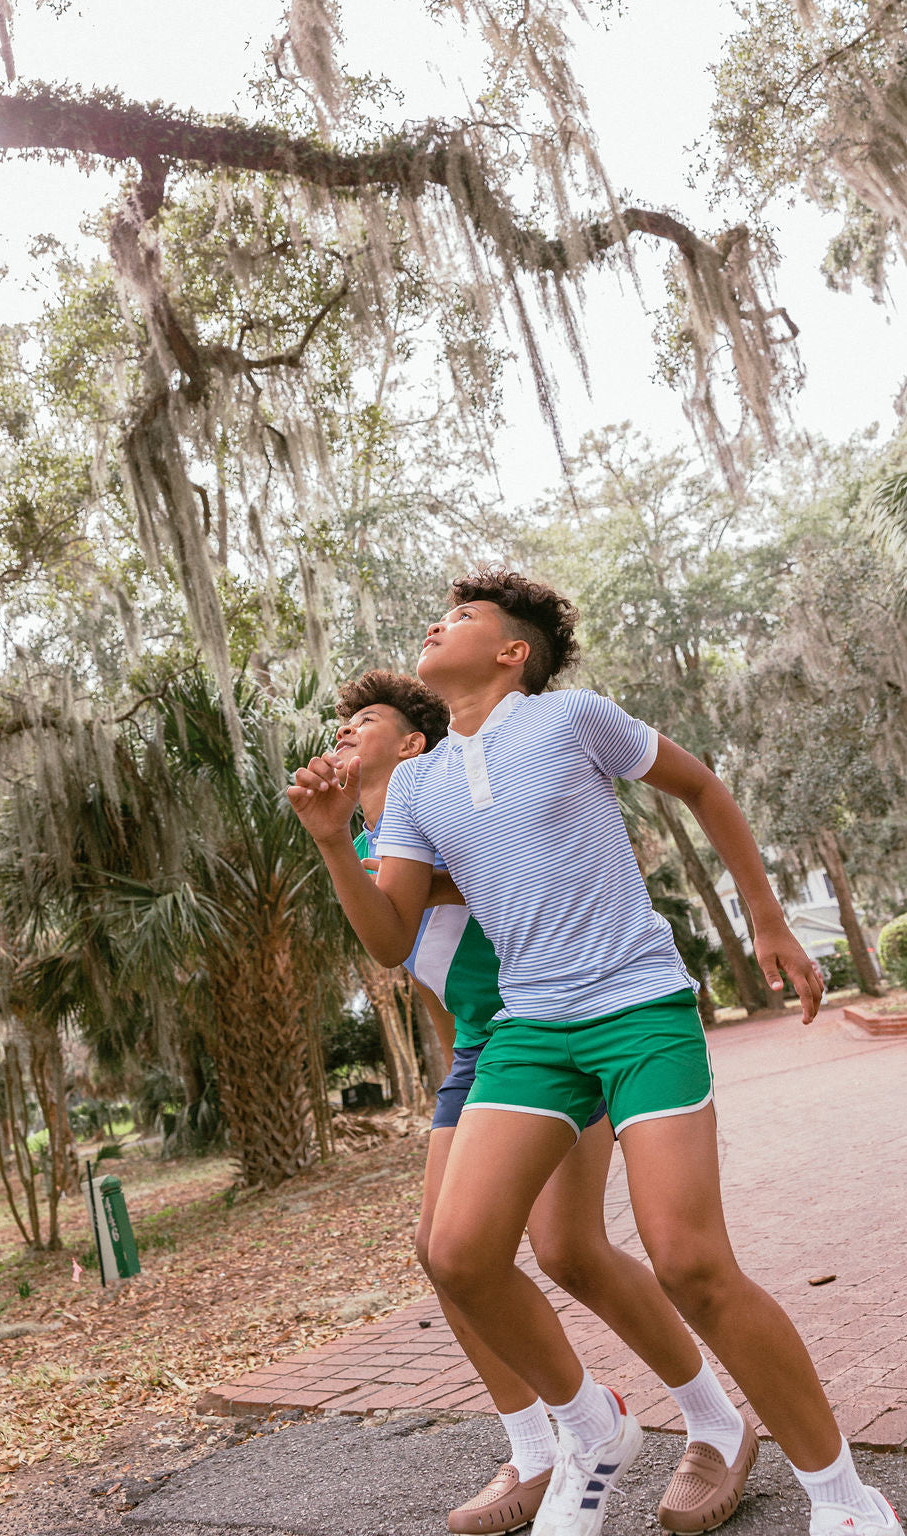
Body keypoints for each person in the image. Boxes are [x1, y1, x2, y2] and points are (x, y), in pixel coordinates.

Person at [289, 572, 903, 1536]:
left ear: (511, 652)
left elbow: (698, 784)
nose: (435, 624)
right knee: (456, 1253)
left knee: (690, 1261)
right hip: (533, 1035)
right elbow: (388, 933)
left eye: (463, 618)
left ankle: (846, 1500)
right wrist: (333, 843)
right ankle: (590, 1428)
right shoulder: (416, 783)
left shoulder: (573, 717)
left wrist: (770, 919)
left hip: (637, 1007)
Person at [331, 668, 758, 1536]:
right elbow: (423, 974)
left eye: (363, 720)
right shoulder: (387, 831)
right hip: (485, 1052)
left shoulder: (445, 807)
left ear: (414, 742)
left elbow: (467, 896)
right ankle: (540, 1442)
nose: (340, 732)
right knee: (445, 1249)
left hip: (558, 1021)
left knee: (568, 1249)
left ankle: (711, 1421)